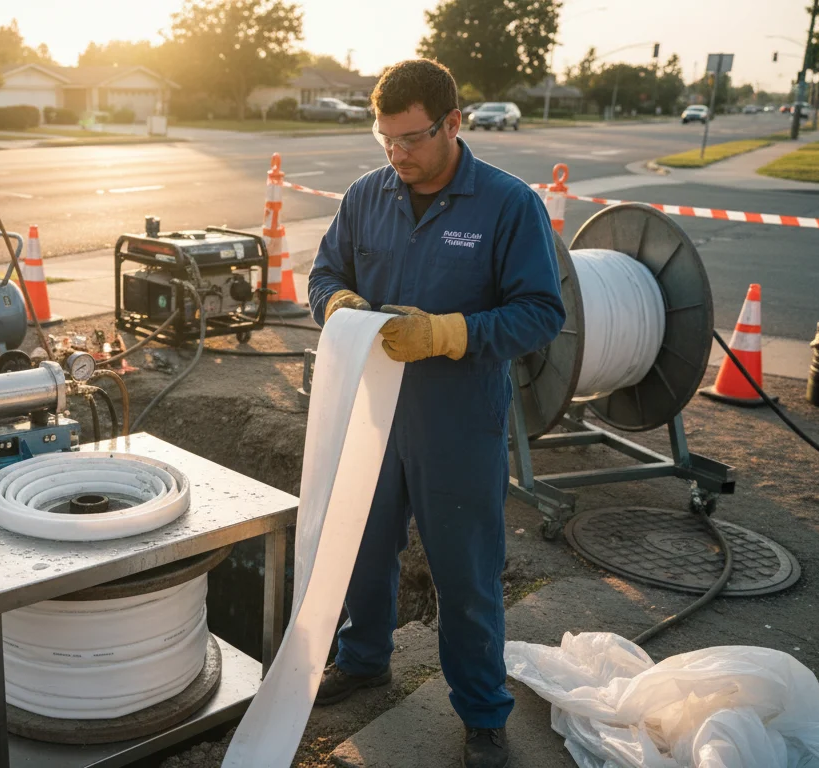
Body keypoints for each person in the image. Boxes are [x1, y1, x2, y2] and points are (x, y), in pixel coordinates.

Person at [307, 59, 565, 768]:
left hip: (457, 422)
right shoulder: (366, 196)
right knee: (363, 548)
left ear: (453, 123)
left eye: (411, 138)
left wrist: (448, 333)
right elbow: (324, 274)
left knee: (465, 572)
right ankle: (364, 658)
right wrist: (338, 304)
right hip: (374, 413)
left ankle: (482, 712)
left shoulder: (507, 205)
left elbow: (541, 313)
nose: (397, 153)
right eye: (384, 137)